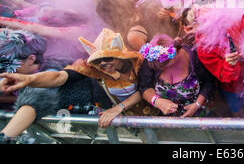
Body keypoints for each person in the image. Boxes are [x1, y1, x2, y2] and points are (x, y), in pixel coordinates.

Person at [0, 28, 157, 136]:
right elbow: (59, 77)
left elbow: (145, 90)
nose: (103, 64)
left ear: (120, 56)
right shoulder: (95, 67)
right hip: (126, 123)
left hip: (153, 118)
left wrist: (118, 108)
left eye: (108, 58)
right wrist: (29, 79)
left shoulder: (140, 63)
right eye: (99, 60)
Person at [138, 34, 215, 117]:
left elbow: (209, 81)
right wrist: (156, 101)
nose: (162, 67)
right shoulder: (153, 57)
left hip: (197, 110)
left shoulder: (193, 56)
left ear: (176, 51)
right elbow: (143, 86)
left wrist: (197, 104)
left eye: (166, 63)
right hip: (166, 115)